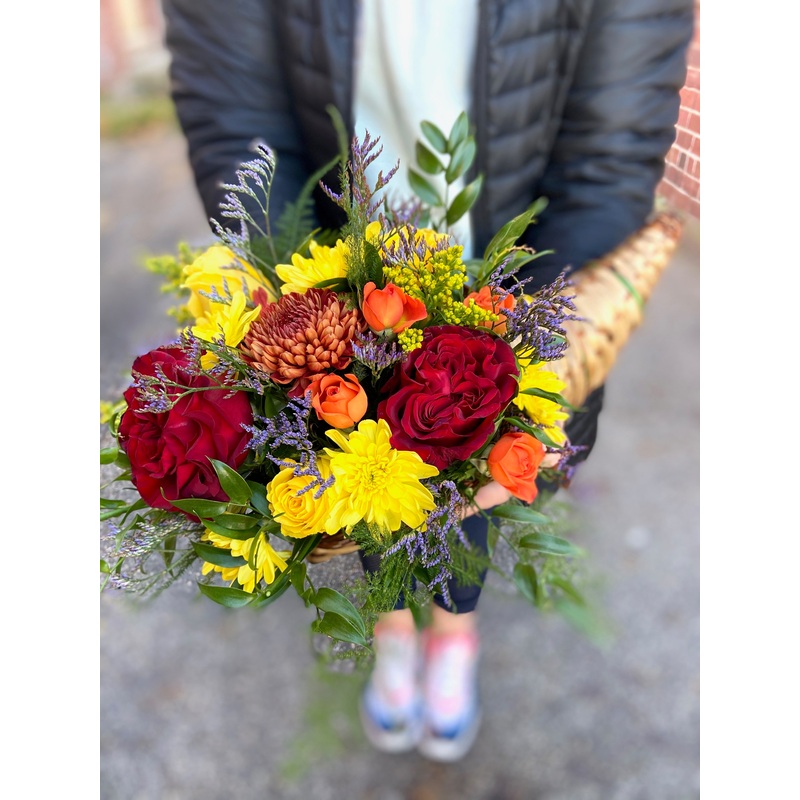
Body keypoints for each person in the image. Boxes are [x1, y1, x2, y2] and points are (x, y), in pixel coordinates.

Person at [161, 0, 694, 762]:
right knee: (351, 480)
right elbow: (238, 112)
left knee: (472, 468)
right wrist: (305, 321)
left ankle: (454, 634)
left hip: (517, 283)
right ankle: (391, 628)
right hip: (329, 273)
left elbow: (607, 150)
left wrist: (532, 362)